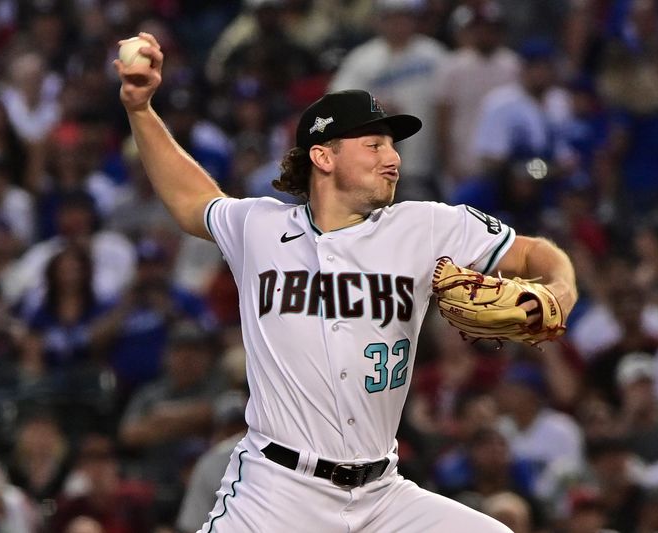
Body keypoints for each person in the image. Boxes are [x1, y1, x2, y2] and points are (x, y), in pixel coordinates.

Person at [114, 31, 577, 532]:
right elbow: (191, 200)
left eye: (393, 146)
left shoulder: (426, 226)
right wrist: (140, 111)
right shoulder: (261, 227)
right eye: (374, 144)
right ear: (324, 156)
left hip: (382, 495)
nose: (393, 158)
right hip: (277, 491)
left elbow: (535, 253)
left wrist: (560, 291)